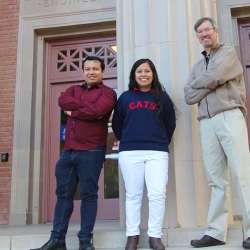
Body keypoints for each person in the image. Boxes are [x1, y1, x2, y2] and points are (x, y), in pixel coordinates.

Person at [31, 56, 117, 250]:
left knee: (88, 195)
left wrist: (75, 112)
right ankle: (57, 240)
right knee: (63, 195)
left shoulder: (108, 93)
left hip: (91, 150)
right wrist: (89, 110)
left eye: (95, 68)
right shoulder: (72, 90)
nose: (91, 72)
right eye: (87, 69)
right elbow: (63, 101)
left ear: (102, 72)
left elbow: (99, 110)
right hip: (68, 151)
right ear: (83, 71)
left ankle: (85, 240)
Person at [184, 17, 250, 249]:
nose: (204, 34)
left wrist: (205, 83)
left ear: (216, 31)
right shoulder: (197, 66)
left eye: (207, 30)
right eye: (199, 32)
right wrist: (210, 83)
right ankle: (216, 232)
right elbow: (189, 96)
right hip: (207, 122)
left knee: (242, 174)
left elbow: (215, 76)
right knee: (216, 179)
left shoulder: (227, 53)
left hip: (229, 114)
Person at [112, 58, 176, 250]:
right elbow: (117, 125)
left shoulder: (162, 97)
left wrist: (160, 141)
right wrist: (130, 140)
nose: (143, 75)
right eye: (139, 71)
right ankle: (132, 236)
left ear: (153, 74)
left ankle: (155, 236)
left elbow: (170, 123)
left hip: (157, 151)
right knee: (133, 195)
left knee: (157, 194)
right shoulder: (125, 97)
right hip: (130, 152)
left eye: (147, 71)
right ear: (134, 75)